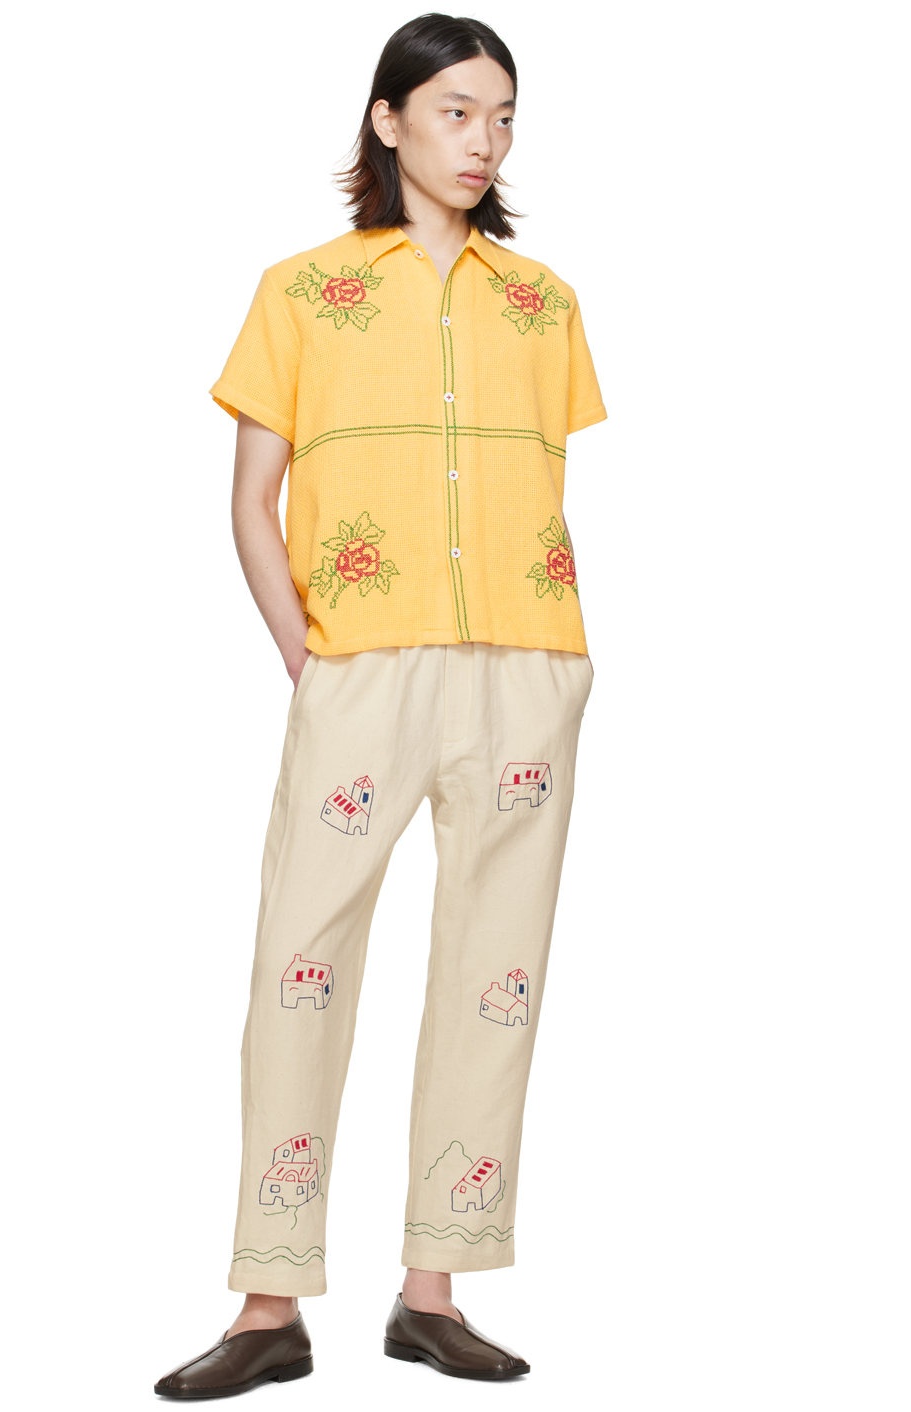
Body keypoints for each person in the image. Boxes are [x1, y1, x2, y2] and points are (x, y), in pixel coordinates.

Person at [154, 11, 607, 1399]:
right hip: (363, 663)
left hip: (526, 664)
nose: (485, 140)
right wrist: (310, 653)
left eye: (504, 116)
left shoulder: (543, 303)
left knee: (495, 973)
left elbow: (536, 484)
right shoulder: (302, 292)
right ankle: (269, 1302)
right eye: (458, 110)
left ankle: (433, 1291)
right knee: (302, 960)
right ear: (388, 117)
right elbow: (252, 499)